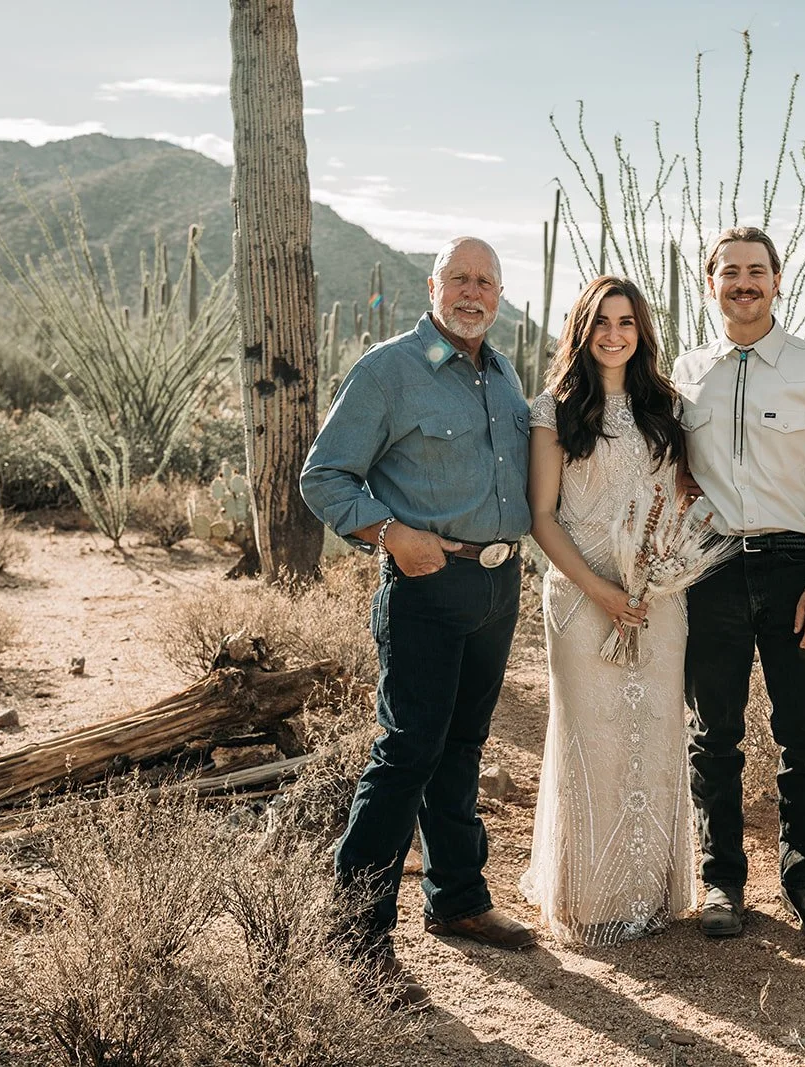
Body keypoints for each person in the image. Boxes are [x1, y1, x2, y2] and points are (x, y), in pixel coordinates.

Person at [300, 236, 535, 1009]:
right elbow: (324, 474)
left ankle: (458, 896)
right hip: (426, 586)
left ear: (500, 295)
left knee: (463, 747)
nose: (473, 292)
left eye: (487, 281)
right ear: (432, 285)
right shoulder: (388, 370)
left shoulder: (502, 375)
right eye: (459, 278)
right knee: (406, 753)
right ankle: (356, 936)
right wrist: (390, 533)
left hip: (498, 587)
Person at [671, 226, 805, 944]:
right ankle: (722, 879)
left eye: (756, 271)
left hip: (793, 568)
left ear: (778, 280)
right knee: (712, 733)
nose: (743, 283)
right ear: (710, 283)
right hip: (711, 568)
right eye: (729, 272)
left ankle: (804, 882)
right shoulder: (686, 374)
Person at [519, 275, 697, 945]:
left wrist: (657, 573)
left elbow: (680, 499)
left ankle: (648, 891)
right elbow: (542, 516)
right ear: (583, 330)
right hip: (579, 594)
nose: (615, 334)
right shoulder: (553, 410)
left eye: (627, 322)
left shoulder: (667, 408)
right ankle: (589, 896)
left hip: (656, 600)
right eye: (602, 322)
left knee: (652, 732)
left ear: (642, 331)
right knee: (589, 735)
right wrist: (602, 591)